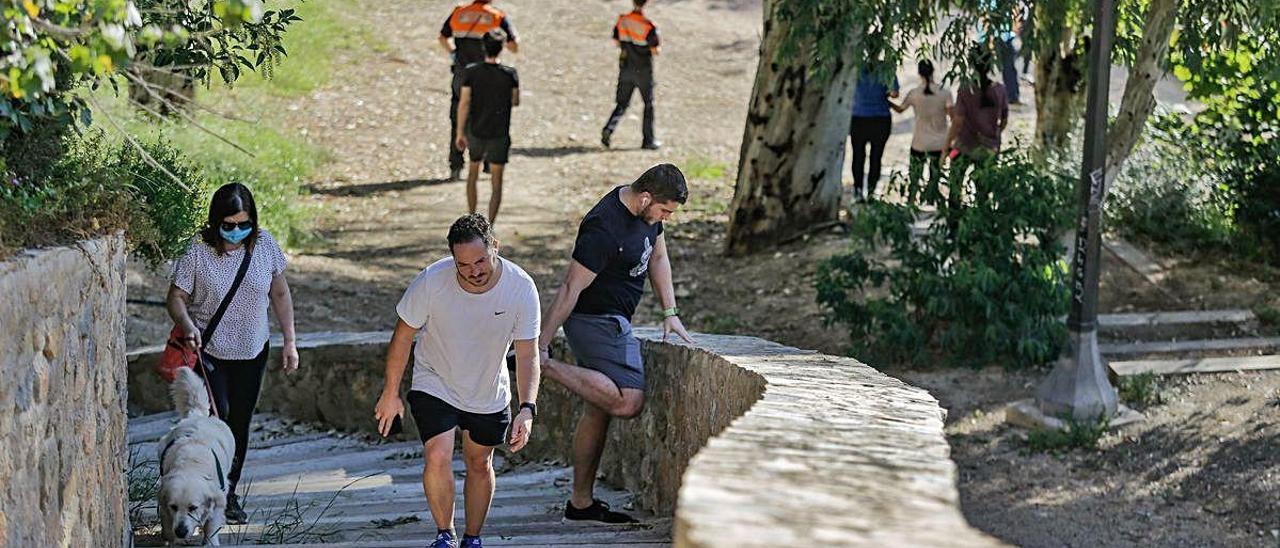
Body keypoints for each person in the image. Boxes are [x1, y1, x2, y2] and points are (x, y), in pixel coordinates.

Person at [538, 164, 694, 524]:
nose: (665, 218)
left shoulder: (646, 212)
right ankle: (543, 367)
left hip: (614, 320)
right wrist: (540, 347)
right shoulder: (604, 228)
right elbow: (569, 288)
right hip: (595, 321)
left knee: (599, 406)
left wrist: (669, 311)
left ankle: (580, 504)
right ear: (645, 198)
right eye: (665, 211)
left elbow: (657, 255)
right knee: (627, 401)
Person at [374, 214, 541, 548]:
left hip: (487, 389)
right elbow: (403, 337)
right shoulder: (431, 282)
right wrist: (390, 392)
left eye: (480, 261)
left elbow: (527, 354)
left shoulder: (521, 287)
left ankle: (472, 538)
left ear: (495, 247)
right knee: (437, 453)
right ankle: (444, 535)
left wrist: (527, 408)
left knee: (479, 462)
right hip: (434, 380)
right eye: (463, 265)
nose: (474, 271)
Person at [166, 182, 299, 525]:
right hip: (209, 350)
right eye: (229, 224)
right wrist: (187, 325)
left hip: (253, 350)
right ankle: (199, 489)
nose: (237, 231)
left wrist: (290, 341)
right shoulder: (196, 252)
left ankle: (227, 494)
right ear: (215, 222)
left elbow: (280, 295)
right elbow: (176, 298)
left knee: (239, 424)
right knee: (216, 419)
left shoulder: (266, 245)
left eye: (244, 224)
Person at [439, 0, 519, 181]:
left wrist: (454, 53)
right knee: (489, 114)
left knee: (457, 116)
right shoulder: (496, 16)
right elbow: (514, 46)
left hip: (461, 73)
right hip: (487, 76)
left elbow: (443, 38)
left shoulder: (459, 12)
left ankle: (456, 165)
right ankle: (488, 163)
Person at [455, 30, 520, 224]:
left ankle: (472, 218)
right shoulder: (510, 73)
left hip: (476, 130)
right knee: (496, 182)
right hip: (499, 133)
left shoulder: (471, 72)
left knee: (472, 174)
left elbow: (464, 102)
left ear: (483, 47)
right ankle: (489, 225)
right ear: (502, 49)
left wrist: (459, 131)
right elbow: (515, 100)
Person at [943, 49, 1008, 214]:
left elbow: (958, 122)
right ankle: (981, 224)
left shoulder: (966, 89)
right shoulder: (1000, 89)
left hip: (963, 146)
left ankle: (954, 224)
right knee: (983, 192)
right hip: (989, 148)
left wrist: (946, 147)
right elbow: (1004, 119)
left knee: (955, 187)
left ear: (971, 64)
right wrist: (994, 135)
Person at [890, 59, 953, 205]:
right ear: (933, 72)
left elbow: (900, 109)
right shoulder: (944, 93)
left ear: (919, 73)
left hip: (919, 142)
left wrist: (885, 100)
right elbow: (953, 116)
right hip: (939, 142)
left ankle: (911, 202)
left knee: (915, 176)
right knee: (935, 175)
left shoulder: (914, 93)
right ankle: (931, 200)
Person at [601, 0, 661, 150]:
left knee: (621, 103)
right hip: (644, 71)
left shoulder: (623, 20)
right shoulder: (648, 25)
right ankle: (648, 141)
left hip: (626, 67)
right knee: (648, 104)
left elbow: (616, 41)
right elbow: (655, 50)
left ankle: (608, 129)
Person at [849, 68, 899, 202]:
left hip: (858, 117)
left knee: (858, 155)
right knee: (876, 157)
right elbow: (894, 93)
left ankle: (858, 190)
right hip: (880, 118)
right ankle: (871, 191)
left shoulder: (855, 69)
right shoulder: (885, 69)